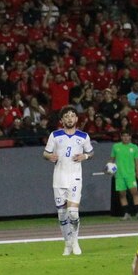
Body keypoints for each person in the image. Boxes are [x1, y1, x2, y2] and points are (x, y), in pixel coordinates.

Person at [43, 106, 94, 256]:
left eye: (72, 116)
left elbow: (90, 152)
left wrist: (83, 157)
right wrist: (49, 157)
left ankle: (75, 241)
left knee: (73, 213)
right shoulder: (55, 135)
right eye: (66, 116)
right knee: (62, 214)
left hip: (75, 178)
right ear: (62, 120)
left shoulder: (83, 136)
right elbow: (46, 152)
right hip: (59, 177)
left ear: (76, 119)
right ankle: (67, 243)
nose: (70, 118)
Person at [108, 130, 138, 221]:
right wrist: (109, 169)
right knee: (122, 195)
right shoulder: (116, 147)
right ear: (121, 137)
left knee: (135, 193)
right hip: (119, 175)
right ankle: (126, 214)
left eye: (127, 136)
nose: (125, 138)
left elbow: (137, 162)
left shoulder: (134, 147)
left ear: (130, 137)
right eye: (123, 136)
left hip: (130, 175)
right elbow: (111, 160)